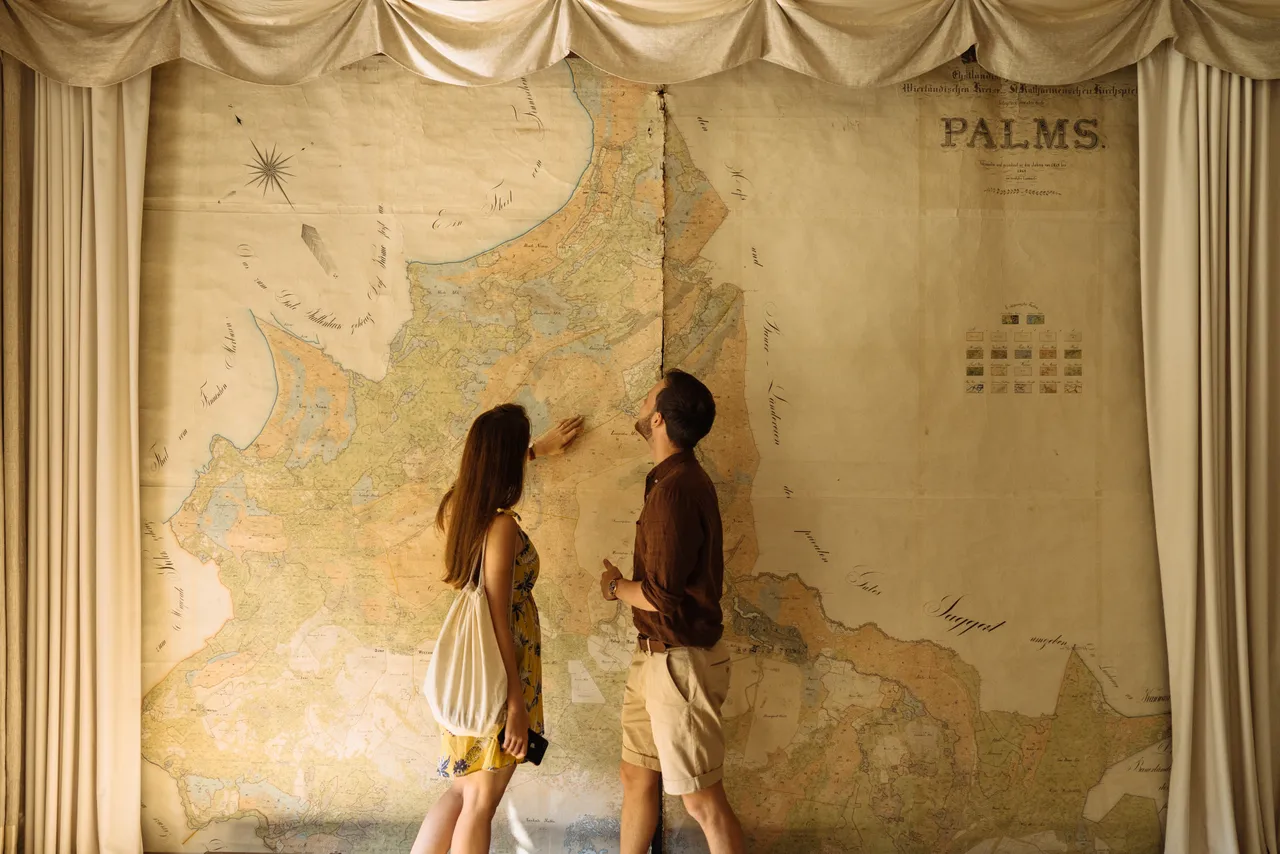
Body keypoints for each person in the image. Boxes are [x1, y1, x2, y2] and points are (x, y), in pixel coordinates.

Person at [411, 405, 584, 854]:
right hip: (500, 674)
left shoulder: (460, 509)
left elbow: (474, 478)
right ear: (505, 465)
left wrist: (532, 451)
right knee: (481, 803)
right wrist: (516, 704)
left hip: (471, 671)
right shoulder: (502, 526)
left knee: (461, 790)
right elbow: (497, 614)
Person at [599, 370, 745, 854]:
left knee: (702, 799)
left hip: (678, 666)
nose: (641, 404)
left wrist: (616, 586)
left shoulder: (676, 490)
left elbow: (662, 596)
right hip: (655, 657)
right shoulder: (669, 481)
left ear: (658, 417)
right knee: (635, 774)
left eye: (647, 398)